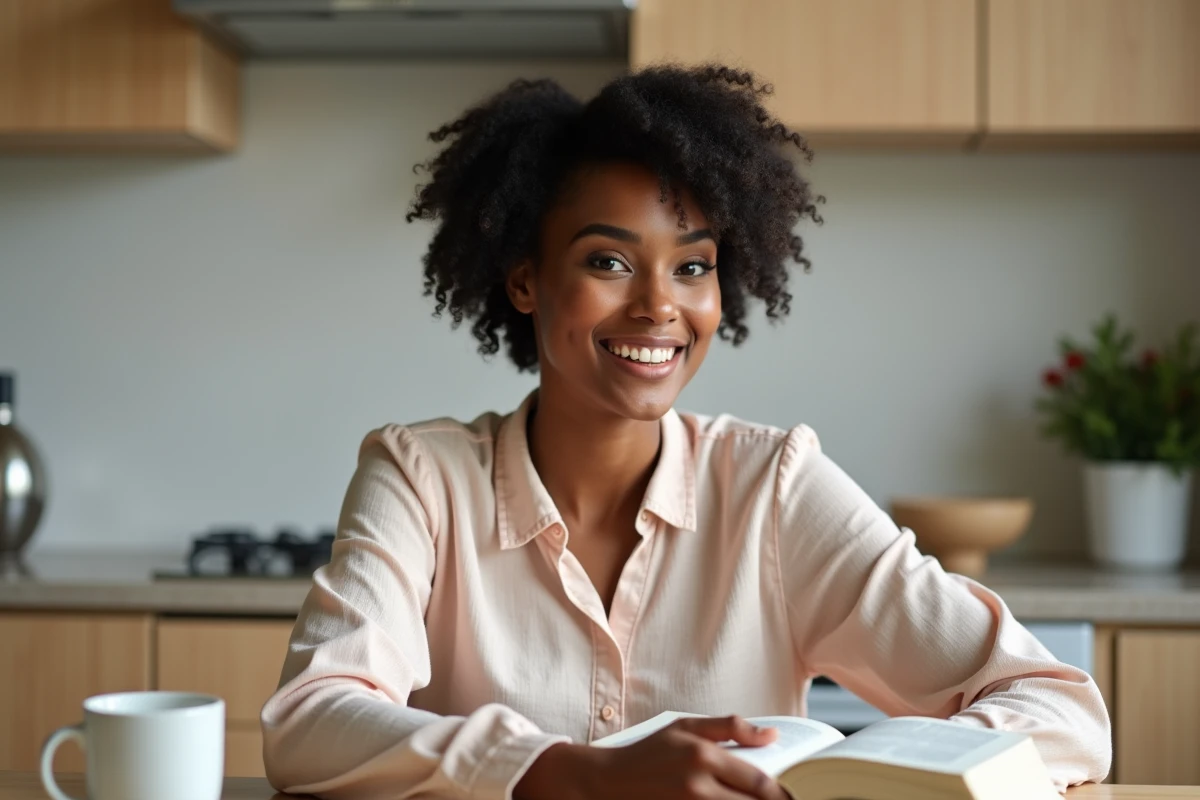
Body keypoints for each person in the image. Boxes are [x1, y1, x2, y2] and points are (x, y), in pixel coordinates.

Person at [260, 65, 1110, 800]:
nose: (660, 306)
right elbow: (308, 722)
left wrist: (909, 775)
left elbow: (1056, 705)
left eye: (693, 266)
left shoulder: (773, 485)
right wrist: (569, 775)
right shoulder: (420, 476)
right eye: (609, 261)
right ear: (525, 281)